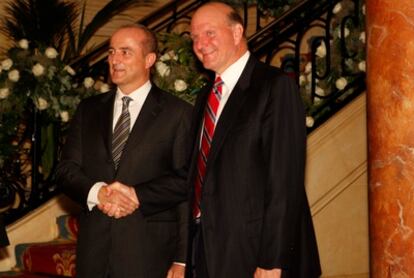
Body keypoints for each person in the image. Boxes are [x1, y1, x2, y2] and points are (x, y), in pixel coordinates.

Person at [188, 2, 321, 278]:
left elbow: (284, 181)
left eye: (209, 33)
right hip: (208, 250)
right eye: (195, 38)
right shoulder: (205, 98)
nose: (201, 44)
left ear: (237, 33)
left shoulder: (274, 86)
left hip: (256, 254)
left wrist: (272, 259)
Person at [56, 24, 191, 278]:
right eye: (111, 52)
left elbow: (185, 182)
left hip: (148, 254)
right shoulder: (89, 110)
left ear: (149, 59)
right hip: (94, 253)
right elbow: (65, 171)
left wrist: (182, 259)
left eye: (125, 52)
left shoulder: (178, 113)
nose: (115, 60)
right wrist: (100, 193)